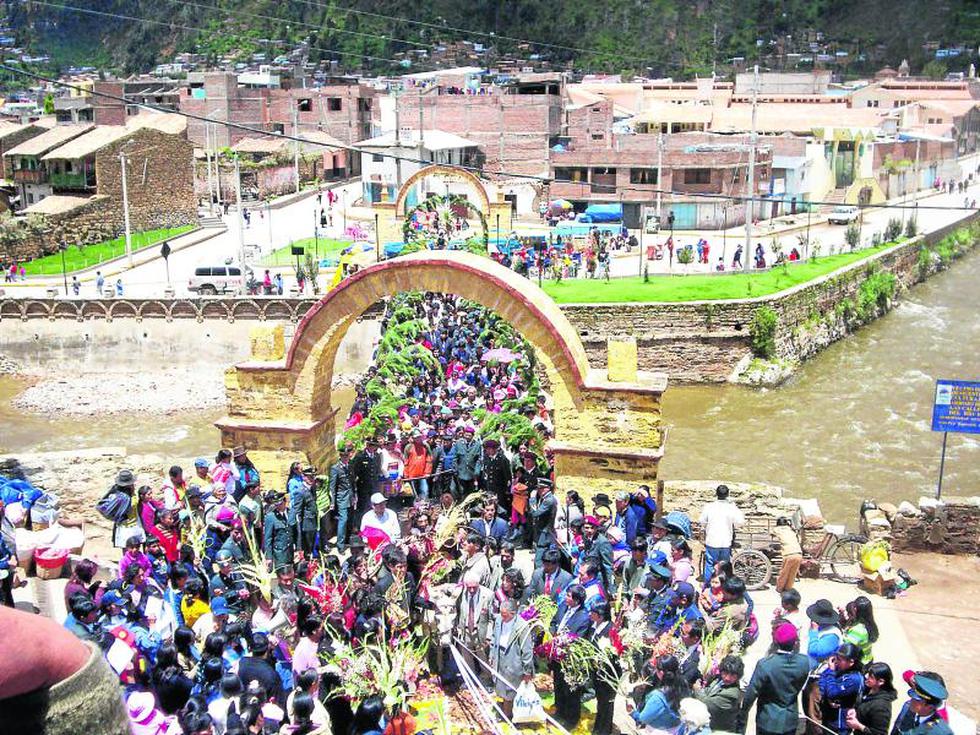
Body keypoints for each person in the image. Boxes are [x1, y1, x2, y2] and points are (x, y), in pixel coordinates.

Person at [741, 622, 811, 735]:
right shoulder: (804, 662)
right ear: (795, 642)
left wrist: (743, 712)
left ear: (776, 641)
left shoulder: (766, 664)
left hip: (767, 720)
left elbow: (752, 692)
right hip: (789, 720)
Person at [549, 584, 591, 729]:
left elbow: (578, 638)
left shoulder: (584, 617)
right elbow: (554, 622)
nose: (565, 597)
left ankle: (571, 718)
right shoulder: (563, 607)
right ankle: (559, 711)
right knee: (558, 685)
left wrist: (563, 641)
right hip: (556, 655)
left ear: (577, 600)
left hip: (570, 659)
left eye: (568, 595)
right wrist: (553, 633)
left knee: (570, 690)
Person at [486, 598, 533, 720]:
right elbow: (494, 638)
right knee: (500, 684)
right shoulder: (499, 620)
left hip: (513, 660)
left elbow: (527, 650)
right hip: (499, 656)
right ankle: (505, 707)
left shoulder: (522, 626)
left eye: (505, 615)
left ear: (513, 614)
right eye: (501, 614)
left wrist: (527, 671)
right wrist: (491, 655)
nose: (502, 617)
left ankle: (507, 715)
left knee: (510, 688)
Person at [455, 570, 494, 685]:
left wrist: (488, 636)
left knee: (483, 658)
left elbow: (491, 619)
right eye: (469, 587)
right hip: (465, 631)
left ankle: (486, 680)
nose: (471, 590)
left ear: (479, 584)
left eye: (474, 587)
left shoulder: (488, 595)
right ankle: (470, 680)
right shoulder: (461, 593)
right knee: (467, 657)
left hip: (480, 632)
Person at [630, 654, 689, 731]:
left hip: (662, 730)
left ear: (661, 673)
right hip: (679, 728)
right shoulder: (683, 684)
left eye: (656, 669)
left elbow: (643, 719)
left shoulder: (658, 697)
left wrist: (632, 712)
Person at [699, 484, 744, 580]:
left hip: (712, 541)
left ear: (716, 494)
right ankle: (723, 585)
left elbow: (702, 521)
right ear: (727, 494)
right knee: (724, 566)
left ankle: (708, 584)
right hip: (725, 542)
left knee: (710, 564)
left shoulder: (709, 507)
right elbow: (740, 522)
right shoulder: (731, 508)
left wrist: (707, 527)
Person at [817, 642, 864, 735]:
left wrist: (831, 672)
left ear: (851, 662)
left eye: (839, 659)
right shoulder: (838, 669)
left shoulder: (854, 679)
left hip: (840, 725)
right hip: (828, 717)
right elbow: (822, 680)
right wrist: (828, 697)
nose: (836, 661)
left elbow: (832, 693)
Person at [846, 662, 897, 735]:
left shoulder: (881, 707)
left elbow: (880, 733)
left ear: (880, 682)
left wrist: (859, 726)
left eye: (871, 676)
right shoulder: (868, 689)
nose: (866, 676)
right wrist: (855, 710)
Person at [589, 600, 616, 735]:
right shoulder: (594, 626)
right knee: (600, 702)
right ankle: (598, 728)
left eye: (592, 612)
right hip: (597, 673)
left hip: (607, 675)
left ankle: (604, 730)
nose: (590, 614)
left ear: (600, 615)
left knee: (606, 704)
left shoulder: (610, 630)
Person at [696, 654, 744, 732]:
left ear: (738, 677)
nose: (727, 678)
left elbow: (706, 703)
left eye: (732, 675)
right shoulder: (718, 679)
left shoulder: (732, 695)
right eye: (725, 673)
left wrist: (697, 689)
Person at [329, 444, 355, 553]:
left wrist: (354, 495)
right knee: (343, 520)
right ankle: (340, 545)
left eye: (347, 455)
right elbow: (332, 486)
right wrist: (332, 502)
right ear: (340, 456)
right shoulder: (335, 468)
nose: (346, 458)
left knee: (350, 520)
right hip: (341, 498)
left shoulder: (350, 465)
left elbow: (352, 482)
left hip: (350, 497)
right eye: (344, 456)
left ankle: (347, 540)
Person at [287, 464, 317, 559]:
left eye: (313, 476)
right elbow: (297, 511)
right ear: (304, 477)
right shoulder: (300, 491)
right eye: (310, 477)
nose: (312, 479)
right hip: (306, 525)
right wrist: (296, 528)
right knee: (307, 549)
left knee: (312, 547)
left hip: (313, 522)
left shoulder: (312, 488)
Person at [262, 491, 294, 572]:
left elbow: (297, 532)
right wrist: (269, 557)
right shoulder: (270, 517)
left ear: (285, 501)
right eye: (276, 504)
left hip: (290, 552)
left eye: (280, 504)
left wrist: (299, 548)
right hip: (279, 553)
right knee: (282, 574)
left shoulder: (291, 513)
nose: (278, 506)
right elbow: (268, 538)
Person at [842, 596, 879, 665]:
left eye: (855, 607)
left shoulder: (859, 630)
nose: (852, 608)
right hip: (868, 659)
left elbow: (844, 647)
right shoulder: (868, 623)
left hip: (860, 663)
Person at [773, 517, 802, 592]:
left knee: (784, 573)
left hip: (789, 554)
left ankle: (779, 589)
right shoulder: (791, 531)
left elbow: (771, 533)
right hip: (798, 553)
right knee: (792, 573)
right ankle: (788, 588)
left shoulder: (777, 529)